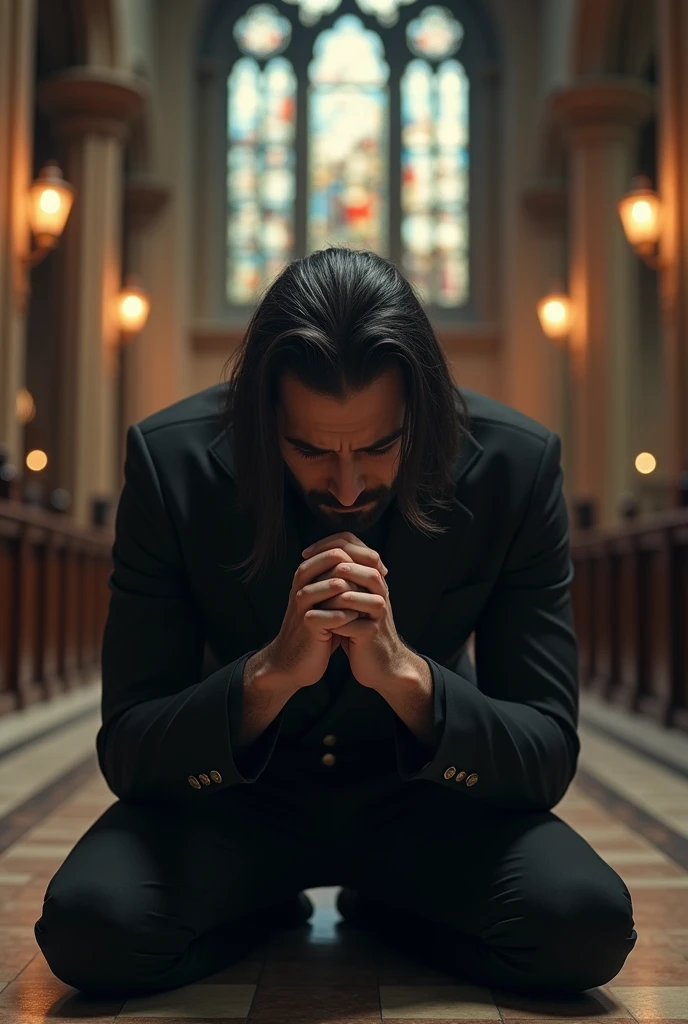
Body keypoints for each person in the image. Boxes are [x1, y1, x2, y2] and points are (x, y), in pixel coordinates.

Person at [34, 246, 637, 999]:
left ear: (420, 411)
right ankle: (264, 905)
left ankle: (384, 906)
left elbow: (546, 751)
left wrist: (411, 680)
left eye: (380, 446)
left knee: (584, 927)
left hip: (425, 809)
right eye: (310, 449)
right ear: (264, 416)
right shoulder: (172, 464)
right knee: (91, 930)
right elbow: (128, 748)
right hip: (236, 807)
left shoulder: (515, 466)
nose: (347, 484)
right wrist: (266, 676)